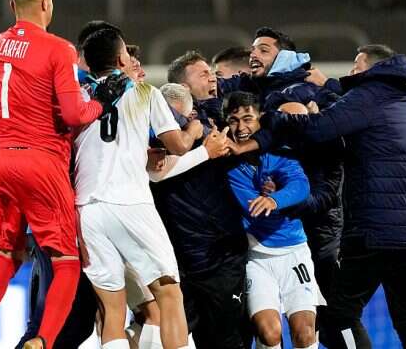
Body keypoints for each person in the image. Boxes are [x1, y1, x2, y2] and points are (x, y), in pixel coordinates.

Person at [0, 0, 127, 349]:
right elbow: (73, 113)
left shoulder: (0, 43)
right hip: (42, 162)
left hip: (1, 160)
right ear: (46, 4)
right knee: (67, 259)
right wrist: (102, 102)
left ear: (12, 7)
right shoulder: (59, 49)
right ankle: (44, 340)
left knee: (7, 254)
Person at [237, 44, 406, 349]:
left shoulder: (367, 96)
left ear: (371, 69)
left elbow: (319, 129)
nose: (351, 72)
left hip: (375, 230)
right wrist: (327, 87)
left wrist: (273, 119)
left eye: (357, 65)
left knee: (337, 316)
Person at [74, 28, 225, 349]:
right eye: (128, 55)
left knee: (112, 310)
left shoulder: (78, 97)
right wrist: (196, 130)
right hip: (130, 204)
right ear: (119, 59)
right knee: (169, 294)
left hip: (86, 209)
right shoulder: (144, 92)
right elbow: (179, 145)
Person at [220, 27, 345, 312]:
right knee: (300, 320)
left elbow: (327, 165)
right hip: (288, 217)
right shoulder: (260, 91)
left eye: (264, 50)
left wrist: (293, 201)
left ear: (285, 57)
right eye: (253, 50)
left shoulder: (299, 91)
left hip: (317, 216)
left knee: (336, 315)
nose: (254, 54)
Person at [153, 51, 252, 349]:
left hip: (223, 254)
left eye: (211, 73)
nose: (211, 78)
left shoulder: (225, 120)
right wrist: (199, 140)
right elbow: (156, 171)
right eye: (202, 74)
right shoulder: (165, 128)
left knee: (230, 339)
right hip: (183, 257)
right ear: (182, 86)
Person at [225, 92, 322, 349]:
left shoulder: (279, 153)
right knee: (269, 333)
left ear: (260, 121)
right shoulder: (228, 165)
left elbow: (300, 185)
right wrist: (270, 200)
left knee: (304, 333)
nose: (241, 127)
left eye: (248, 119)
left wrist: (275, 199)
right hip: (257, 258)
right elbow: (250, 207)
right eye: (234, 120)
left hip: (294, 253)